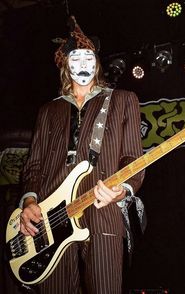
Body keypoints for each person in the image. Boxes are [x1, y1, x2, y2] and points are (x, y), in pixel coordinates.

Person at [19, 16, 145, 294]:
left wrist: (122, 191)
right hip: (51, 218)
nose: (83, 65)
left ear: (97, 63)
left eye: (89, 58)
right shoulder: (48, 111)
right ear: (65, 65)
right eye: (75, 59)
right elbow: (34, 166)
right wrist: (29, 201)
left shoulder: (123, 100)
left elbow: (133, 159)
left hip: (102, 208)